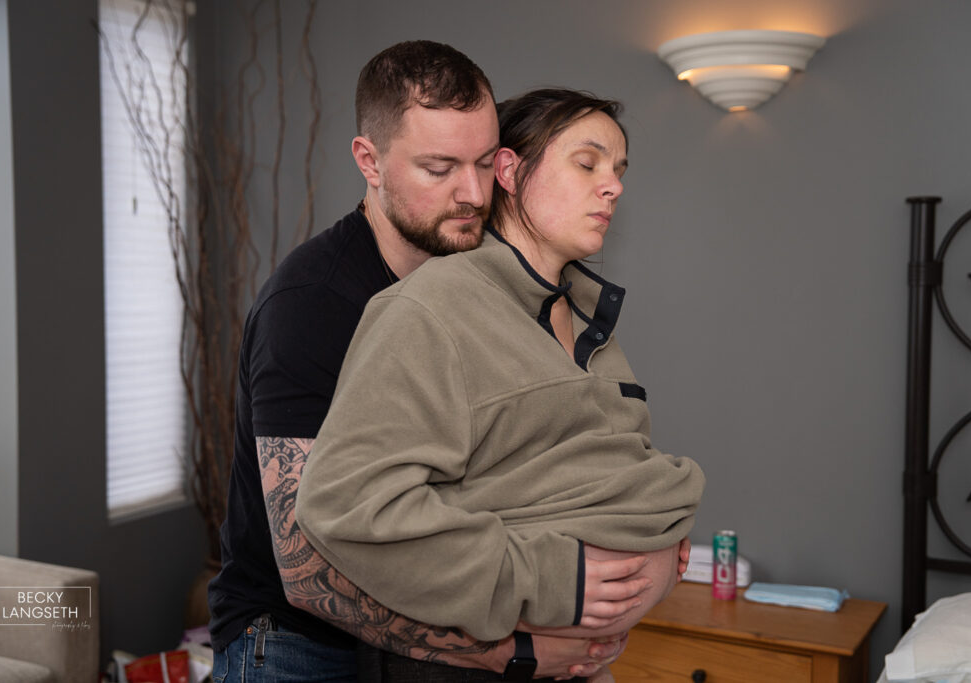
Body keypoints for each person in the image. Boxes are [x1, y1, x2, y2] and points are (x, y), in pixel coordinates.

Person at [207, 43, 656, 683]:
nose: (471, 193)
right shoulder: (309, 305)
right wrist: (511, 651)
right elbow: (308, 566)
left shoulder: (477, 286)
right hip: (294, 644)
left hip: (415, 643)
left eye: (481, 163)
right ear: (370, 161)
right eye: (440, 168)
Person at [296, 88, 707, 681]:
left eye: (618, 170)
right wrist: (546, 580)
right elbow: (346, 506)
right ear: (511, 172)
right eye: (587, 163)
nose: (613, 185)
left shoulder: (590, 320)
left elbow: (578, 465)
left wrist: (658, 521)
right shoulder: (429, 310)